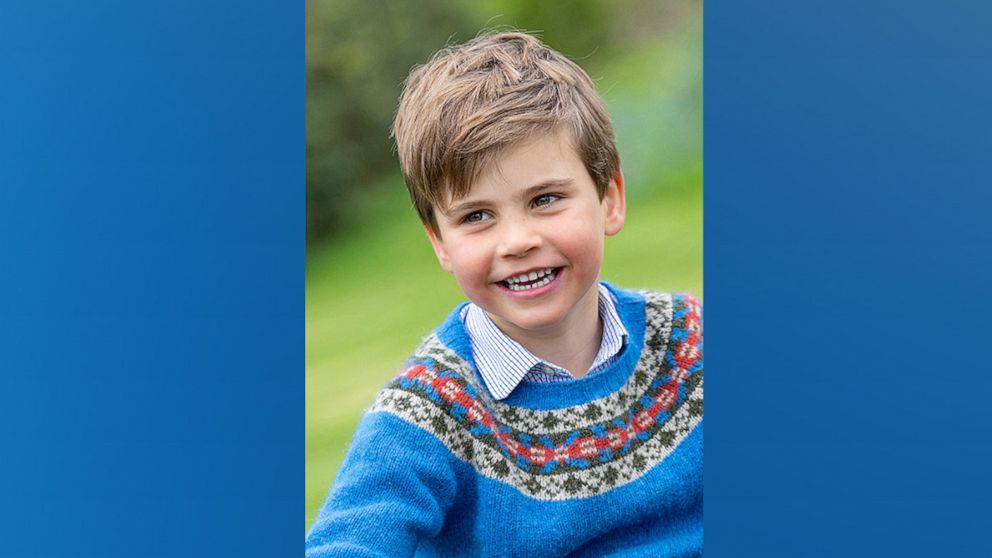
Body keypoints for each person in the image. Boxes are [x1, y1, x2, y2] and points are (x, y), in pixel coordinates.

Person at [305, 31, 702, 557]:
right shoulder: (429, 414)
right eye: (476, 216)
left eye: (545, 199)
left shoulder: (690, 340)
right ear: (439, 243)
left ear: (609, 198)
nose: (517, 241)